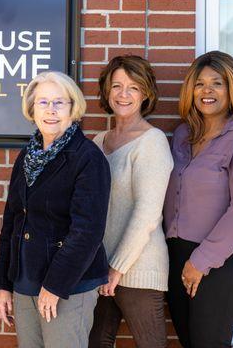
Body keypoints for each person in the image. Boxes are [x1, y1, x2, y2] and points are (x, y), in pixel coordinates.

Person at [0, 71, 111, 348]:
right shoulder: (27, 155)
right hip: (24, 280)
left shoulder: (87, 157)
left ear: (74, 108)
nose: (51, 110)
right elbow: (12, 221)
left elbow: (87, 232)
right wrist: (4, 284)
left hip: (69, 285)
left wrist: (55, 285)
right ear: (32, 109)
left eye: (59, 102)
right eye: (43, 102)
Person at [164, 51, 233, 347]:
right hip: (177, 253)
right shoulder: (182, 135)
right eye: (199, 84)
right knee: (189, 341)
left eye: (216, 84)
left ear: (231, 89)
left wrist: (201, 261)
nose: (206, 91)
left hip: (222, 257)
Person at [88, 56, 172, 347]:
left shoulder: (153, 141)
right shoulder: (98, 142)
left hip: (138, 270)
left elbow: (148, 212)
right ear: (106, 91)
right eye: (117, 86)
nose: (124, 94)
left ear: (146, 93)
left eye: (133, 87)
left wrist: (117, 268)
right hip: (98, 270)